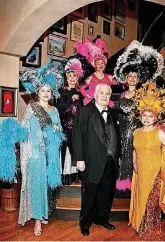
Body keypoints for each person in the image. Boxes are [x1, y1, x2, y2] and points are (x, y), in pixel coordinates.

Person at [18, 60, 64, 236]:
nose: (46, 93)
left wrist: (56, 129)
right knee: (37, 186)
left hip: (50, 155)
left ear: (52, 93)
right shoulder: (31, 108)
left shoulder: (54, 110)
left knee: (46, 187)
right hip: (35, 154)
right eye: (43, 90)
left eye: (48, 91)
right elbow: (23, 129)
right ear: (37, 92)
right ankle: (37, 220)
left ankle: (43, 213)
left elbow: (59, 129)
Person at [113, 40, 165, 194]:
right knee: (121, 152)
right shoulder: (121, 95)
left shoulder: (142, 95)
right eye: (130, 76)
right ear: (126, 78)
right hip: (121, 128)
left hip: (136, 129)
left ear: (138, 79)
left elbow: (148, 113)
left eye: (135, 77)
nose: (132, 79)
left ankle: (132, 183)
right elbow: (116, 111)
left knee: (133, 153)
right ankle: (120, 182)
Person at [129, 81, 165, 240]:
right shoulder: (136, 132)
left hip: (155, 174)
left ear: (155, 117)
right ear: (140, 116)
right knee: (140, 198)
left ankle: (147, 228)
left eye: (150, 116)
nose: (147, 118)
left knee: (151, 203)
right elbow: (134, 149)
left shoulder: (159, 133)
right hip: (140, 173)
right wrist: (134, 162)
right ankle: (139, 225)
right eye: (144, 115)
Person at [72, 83, 120, 236]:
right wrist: (79, 159)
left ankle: (102, 219)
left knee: (106, 193)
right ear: (95, 95)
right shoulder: (85, 112)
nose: (105, 96)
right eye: (102, 93)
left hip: (110, 161)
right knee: (89, 195)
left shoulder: (113, 113)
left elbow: (116, 137)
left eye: (107, 94)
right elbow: (77, 135)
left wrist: (117, 157)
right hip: (91, 161)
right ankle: (85, 223)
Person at [56, 58, 83, 185]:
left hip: (77, 128)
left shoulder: (80, 93)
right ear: (66, 77)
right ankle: (63, 178)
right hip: (64, 127)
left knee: (76, 151)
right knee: (64, 152)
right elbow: (58, 109)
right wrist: (70, 100)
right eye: (69, 76)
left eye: (74, 76)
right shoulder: (61, 92)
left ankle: (75, 177)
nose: (72, 78)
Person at [74, 38, 118, 107]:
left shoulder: (109, 77)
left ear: (105, 65)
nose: (100, 65)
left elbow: (120, 83)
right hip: (93, 104)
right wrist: (89, 96)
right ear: (95, 66)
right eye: (98, 64)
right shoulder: (91, 77)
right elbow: (81, 88)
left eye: (102, 63)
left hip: (105, 103)